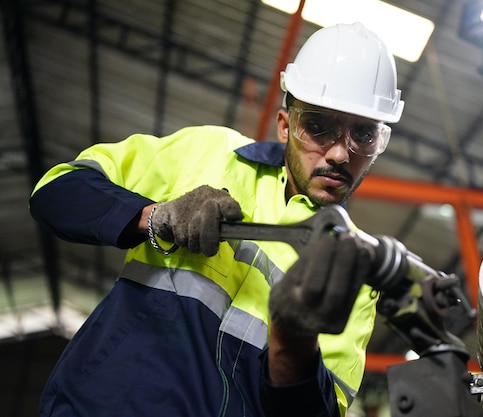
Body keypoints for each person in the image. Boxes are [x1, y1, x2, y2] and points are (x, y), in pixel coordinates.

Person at [30, 22, 404, 417]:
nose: (340, 154)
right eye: (318, 126)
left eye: (363, 134)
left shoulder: (358, 274)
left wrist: (294, 343)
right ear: (284, 125)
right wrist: (155, 217)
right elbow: (58, 191)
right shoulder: (210, 152)